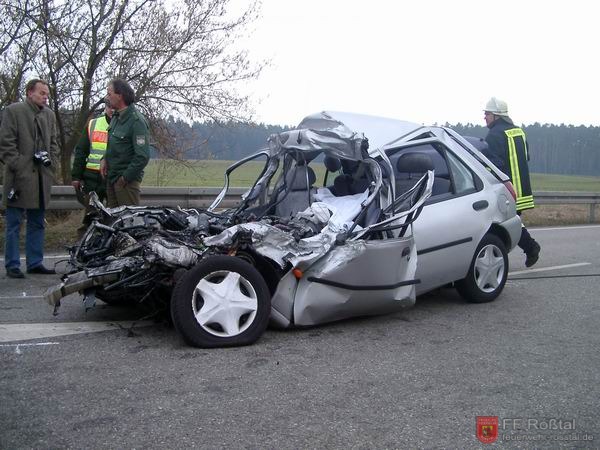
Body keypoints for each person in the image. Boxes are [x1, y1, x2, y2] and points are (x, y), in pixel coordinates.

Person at [0, 79, 58, 278]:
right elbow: (6, 145)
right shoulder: (13, 111)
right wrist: (20, 165)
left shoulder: (49, 115)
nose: (45, 97)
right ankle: (12, 264)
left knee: (37, 222)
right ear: (29, 92)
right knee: (14, 222)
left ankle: (35, 262)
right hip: (18, 178)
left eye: (47, 94)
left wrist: (52, 166)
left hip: (42, 178)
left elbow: (54, 144)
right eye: (42, 93)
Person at [483, 97, 541, 267]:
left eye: (487, 114)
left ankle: (529, 248)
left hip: (506, 188)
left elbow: (492, 165)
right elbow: (526, 157)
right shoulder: (519, 132)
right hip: (521, 186)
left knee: (503, 222)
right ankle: (530, 248)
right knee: (510, 220)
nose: (485, 117)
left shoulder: (494, 135)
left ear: (496, 115)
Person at [100, 78, 150, 207]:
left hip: (126, 184)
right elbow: (113, 144)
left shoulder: (136, 121)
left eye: (109, 93)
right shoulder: (116, 118)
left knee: (128, 224)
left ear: (120, 96)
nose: (107, 97)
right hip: (111, 178)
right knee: (112, 223)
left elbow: (142, 156)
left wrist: (124, 178)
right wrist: (104, 159)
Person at [71, 105, 113, 235]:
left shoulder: (124, 125)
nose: (112, 110)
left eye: (114, 107)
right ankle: (83, 247)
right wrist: (76, 176)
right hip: (92, 177)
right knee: (90, 216)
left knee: (114, 217)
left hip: (113, 176)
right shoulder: (93, 124)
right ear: (105, 107)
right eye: (109, 106)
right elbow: (81, 151)